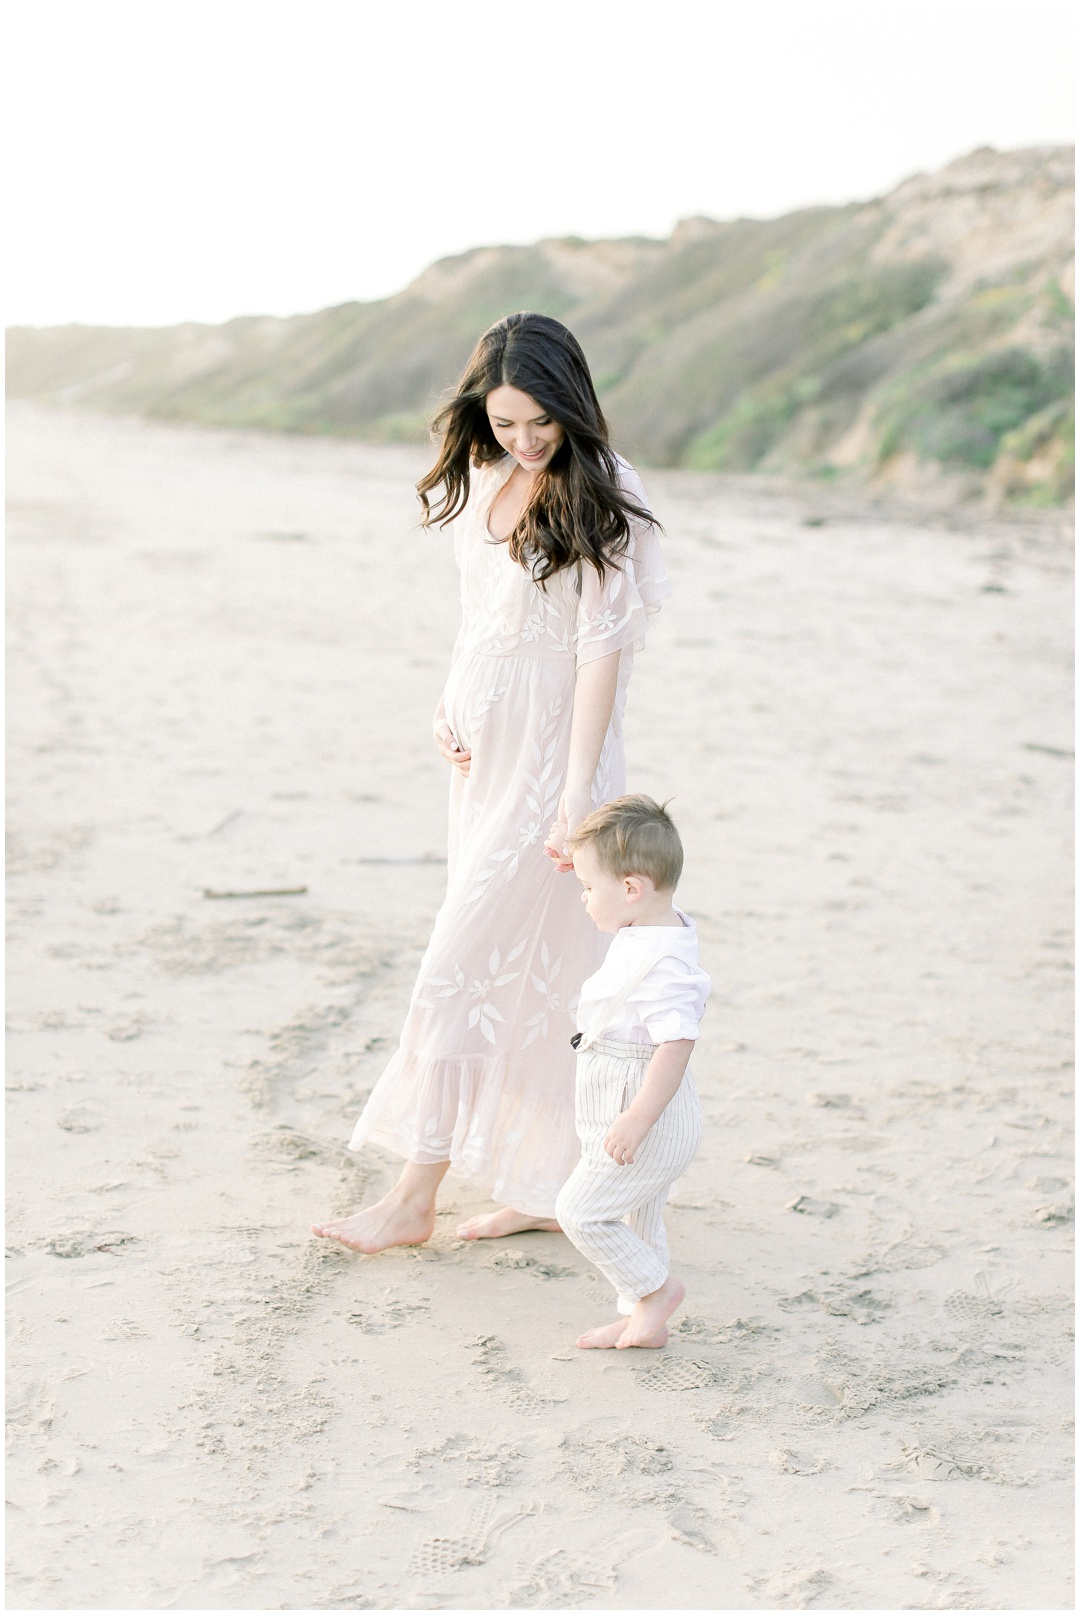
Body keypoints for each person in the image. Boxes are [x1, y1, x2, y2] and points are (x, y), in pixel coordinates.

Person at [312, 312, 669, 1253]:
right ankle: (549, 1182)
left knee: (455, 966)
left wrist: (577, 792)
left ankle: (412, 1197)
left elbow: (602, 652)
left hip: (557, 762)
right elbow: (481, 619)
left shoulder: (606, 487)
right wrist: (447, 705)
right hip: (483, 758)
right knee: (552, 976)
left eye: (539, 419)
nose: (525, 438)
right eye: (506, 422)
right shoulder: (486, 478)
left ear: (571, 399)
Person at [555, 795, 710, 1349]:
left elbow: (676, 1043)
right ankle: (644, 1317)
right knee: (641, 1218)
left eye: (588, 887)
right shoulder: (648, 930)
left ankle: (656, 1292)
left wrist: (638, 1118)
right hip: (623, 1104)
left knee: (579, 1212)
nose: (583, 898)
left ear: (631, 889)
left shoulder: (664, 963)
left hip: (646, 1115)